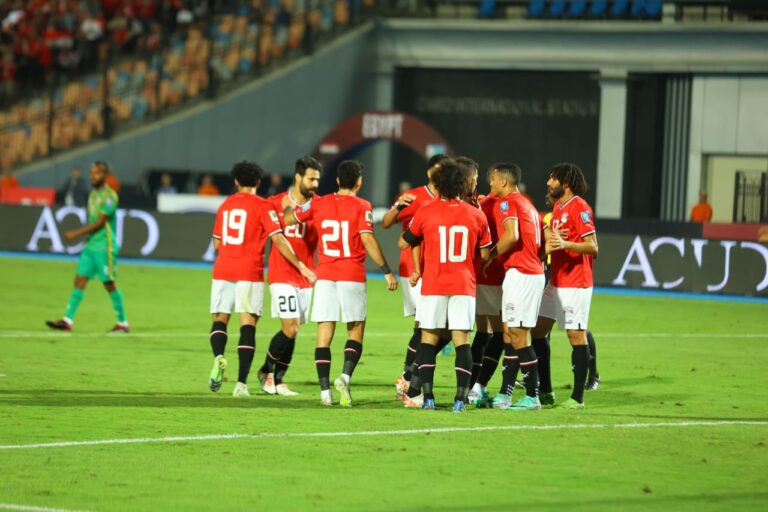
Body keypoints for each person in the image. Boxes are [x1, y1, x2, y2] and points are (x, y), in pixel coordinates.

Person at [283, 160, 398, 406]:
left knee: (324, 333)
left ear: (337, 180)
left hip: (325, 276)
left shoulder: (319, 203)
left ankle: (325, 392)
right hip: (351, 275)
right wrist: (387, 271)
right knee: (355, 330)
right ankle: (344, 376)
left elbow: (290, 219)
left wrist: (288, 207)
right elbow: (367, 239)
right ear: (359, 182)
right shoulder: (362, 206)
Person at [207, 161, 317, 397]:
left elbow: (216, 243)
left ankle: (219, 357)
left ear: (236, 181)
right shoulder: (265, 205)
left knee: (220, 320)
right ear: (258, 182)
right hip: (251, 270)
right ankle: (241, 384)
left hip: (223, 269)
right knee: (248, 325)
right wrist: (301, 266)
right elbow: (277, 238)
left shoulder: (225, 206)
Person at [401, 160, 492, 412]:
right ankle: (460, 400)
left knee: (428, 339)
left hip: (434, 284)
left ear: (439, 184)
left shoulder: (426, 211)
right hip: (464, 284)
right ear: (463, 185)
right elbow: (485, 254)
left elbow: (407, 240)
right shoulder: (476, 215)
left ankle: (428, 398)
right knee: (462, 341)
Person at [530, 163, 598, 409]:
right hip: (556, 281)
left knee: (575, 335)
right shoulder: (558, 207)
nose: (548, 182)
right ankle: (546, 390)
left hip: (575, 283)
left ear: (565, 183)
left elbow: (593, 247)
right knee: (537, 331)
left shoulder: (580, 207)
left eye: (553, 178)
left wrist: (566, 244)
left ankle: (577, 398)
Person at [381, 153, 448, 401]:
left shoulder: (450, 197)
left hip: (439, 270)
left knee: (436, 327)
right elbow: (386, 222)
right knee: (425, 324)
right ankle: (409, 377)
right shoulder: (414, 196)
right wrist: (398, 206)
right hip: (414, 270)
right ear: (430, 173)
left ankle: (408, 375)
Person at [257, 156, 322, 397]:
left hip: (306, 280)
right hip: (282, 275)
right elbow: (277, 239)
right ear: (298, 177)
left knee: (294, 329)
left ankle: (279, 379)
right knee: (291, 328)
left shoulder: (319, 205)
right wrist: (301, 266)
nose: (315, 184)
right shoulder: (273, 203)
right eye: (311, 179)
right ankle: (265, 370)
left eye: (317, 179)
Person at [483, 163, 546, 410]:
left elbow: (512, 236)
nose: (490, 183)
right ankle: (505, 394)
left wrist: (489, 256)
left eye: (493, 179)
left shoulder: (507, 203)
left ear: (503, 182)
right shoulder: (527, 205)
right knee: (510, 333)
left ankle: (532, 396)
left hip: (522, 274)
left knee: (518, 335)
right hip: (526, 272)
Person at [46, 162, 129, 333]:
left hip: (105, 246)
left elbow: (100, 222)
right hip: (91, 246)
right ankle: (67, 320)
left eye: (97, 173)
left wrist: (76, 233)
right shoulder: (92, 194)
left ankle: (123, 323)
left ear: (105, 175)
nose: (93, 176)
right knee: (80, 280)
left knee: (109, 284)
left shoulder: (110, 196)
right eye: (91, 173)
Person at [467, 166, 508, 408]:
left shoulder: (480, 203)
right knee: (502, 333)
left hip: (477, 274)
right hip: (494, 274)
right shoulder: (504, 206)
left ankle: (470, 386)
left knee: (483, 331)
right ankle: (479, 385)